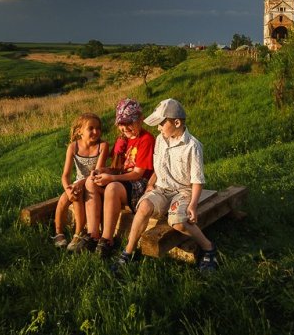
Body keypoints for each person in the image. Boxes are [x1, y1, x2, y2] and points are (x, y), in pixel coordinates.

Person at [113, 98, 218, 272]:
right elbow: (158, 167)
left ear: (176, 122)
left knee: (178, 221)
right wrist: (151, 184)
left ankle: (208, 247)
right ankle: (128, 252)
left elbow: (197, 180)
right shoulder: (161, 140)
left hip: (183, 191)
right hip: (161, 188)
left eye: (161, 124)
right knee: (144, 206)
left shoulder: (193, 146)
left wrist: (192, 205)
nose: (158, 128)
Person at [80, 98, 155, 256]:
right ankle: (93, 234)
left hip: (140, 184)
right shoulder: (124, 139)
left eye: (129, 123)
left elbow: (138, 173)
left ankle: (107, 239)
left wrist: (111, 178)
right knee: (90, 182)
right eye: (121, 123)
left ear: (140, 119)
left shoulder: (146, 140)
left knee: (112, 188)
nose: (124, 127)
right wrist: (103, 171)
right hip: (124, 180)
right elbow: (118, 168)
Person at [52, 112, 109, 250]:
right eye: (91, 128)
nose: (96, 131)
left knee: (76, 195)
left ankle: (78, 234)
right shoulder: (73, 147)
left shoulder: (102, 146)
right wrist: (68, 189)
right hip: (77, 184)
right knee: (64, 198)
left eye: (98, 128)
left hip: (94, 184)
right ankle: (58, 232)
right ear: (80, 131)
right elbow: (65, 175)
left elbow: (96, 173)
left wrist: (76, 186)